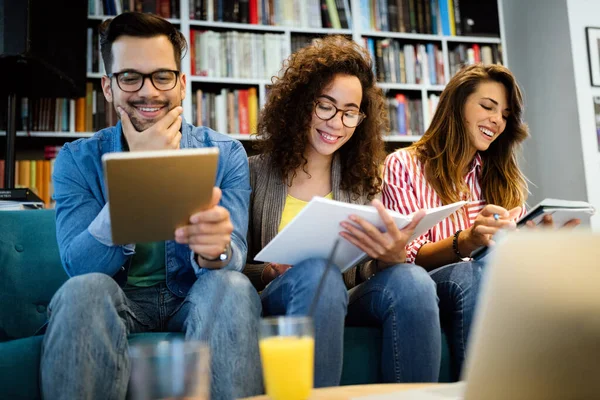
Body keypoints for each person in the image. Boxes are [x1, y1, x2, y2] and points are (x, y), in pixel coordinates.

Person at [40, 12, 262, 400]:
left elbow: (233, 256)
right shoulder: (76, 160)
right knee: (84, 290)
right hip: (117, 298)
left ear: (181, 84)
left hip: (193, 295)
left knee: (231, 285)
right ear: (108, 88)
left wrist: (216, 251)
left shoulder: (226, 154)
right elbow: (79, 266)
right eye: (130, 77)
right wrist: (137, 173)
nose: (149, 92)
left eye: (162, 76)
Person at [244, 36, 441, 386]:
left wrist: (389, 257)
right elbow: (230, 263)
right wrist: (269, 271)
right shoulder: (253, 172)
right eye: (326, 106)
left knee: (414, 281)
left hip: (349, 295)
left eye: (350, 112)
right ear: (301, 103)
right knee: (319, 274)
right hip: (279, 296)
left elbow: (365, 268)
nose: (336, 122)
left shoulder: (364, 180)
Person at [381, 63, 580, 379]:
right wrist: (468, 240)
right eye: (487, 106)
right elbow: (407, 256)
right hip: (428, 285)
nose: (497, 120)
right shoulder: (404, 165)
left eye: (504, 114)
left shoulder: (499, 177)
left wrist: (537, 244)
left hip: (488, 282)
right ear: (456, 106)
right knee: (468, 274)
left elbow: (507, 258)